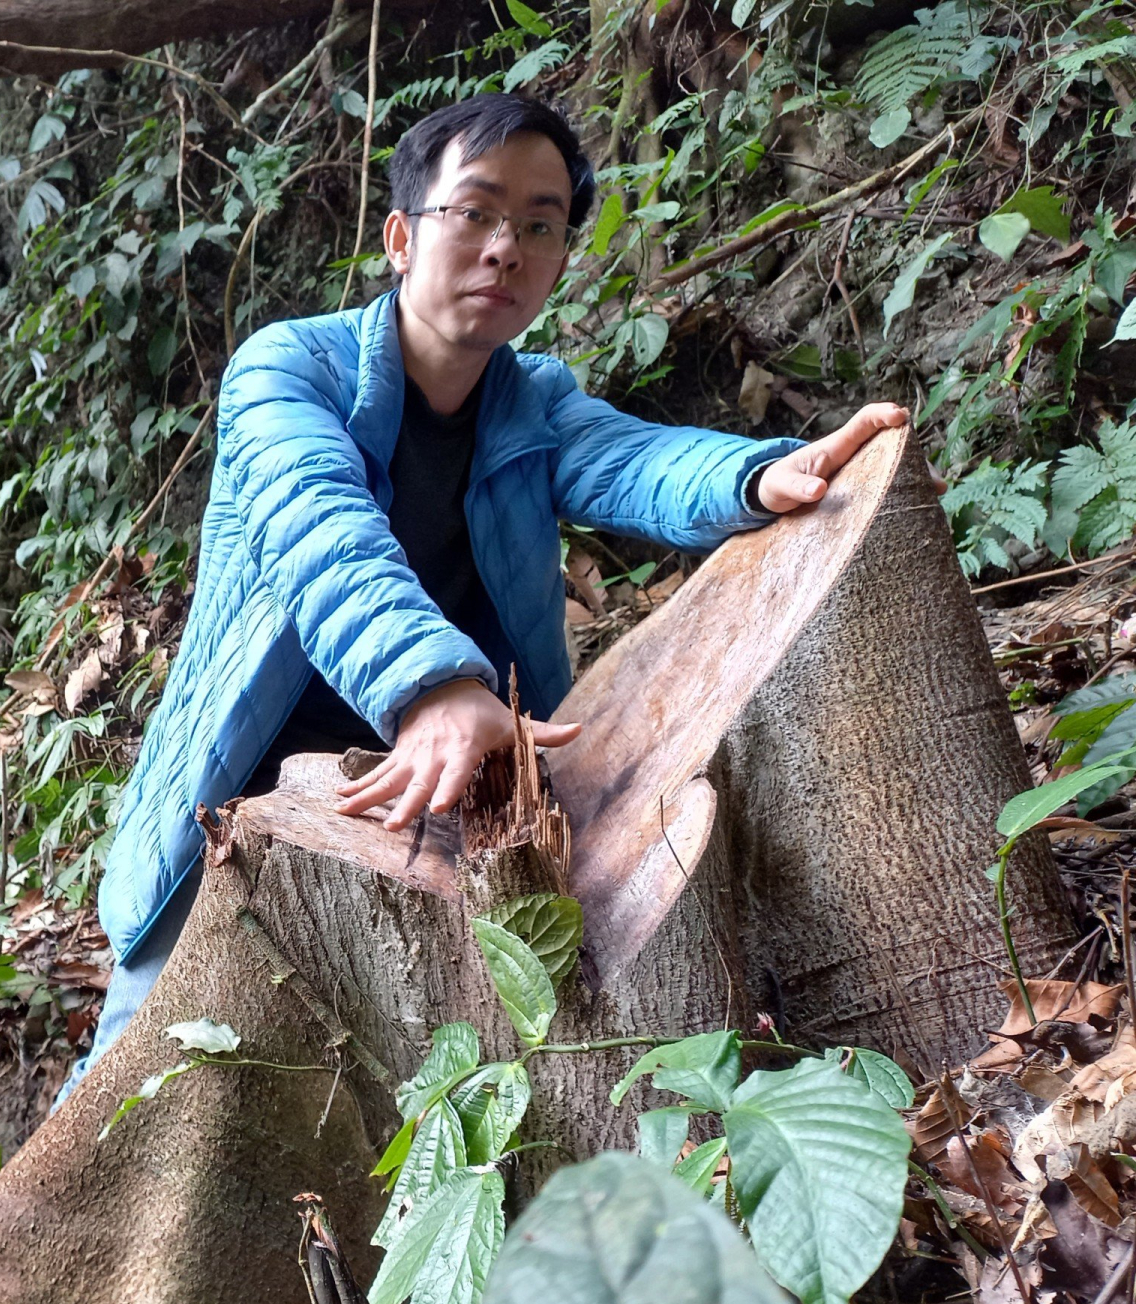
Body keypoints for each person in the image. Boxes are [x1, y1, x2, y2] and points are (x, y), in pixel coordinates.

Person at [61, 93, 908, 1097]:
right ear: (400, 236)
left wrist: (755, 478)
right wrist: (433, 686)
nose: (505, 247)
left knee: (405, 1091)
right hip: (244, 801)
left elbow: (637, 462)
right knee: (134, 1080)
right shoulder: (288, 368)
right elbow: (317, 527)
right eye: (474, 212)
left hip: (454, 809)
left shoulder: (533, 400)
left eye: (540, 225)